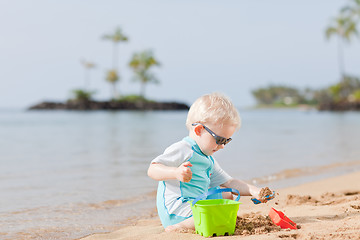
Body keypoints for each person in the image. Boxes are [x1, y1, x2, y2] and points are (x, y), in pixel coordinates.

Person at [147, 92, 274, 232]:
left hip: (194, 204)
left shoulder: (207, 159)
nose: (223, 146)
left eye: (227, 141)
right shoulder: (183, 149)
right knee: (216, 212)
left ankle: (200, 221)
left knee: (227, 194)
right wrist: (175, 172)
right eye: (220, 140)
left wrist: (254, 191)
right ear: (199, 130)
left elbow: (230, 183)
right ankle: (179, 227)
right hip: (177, 211)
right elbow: (152, 169)